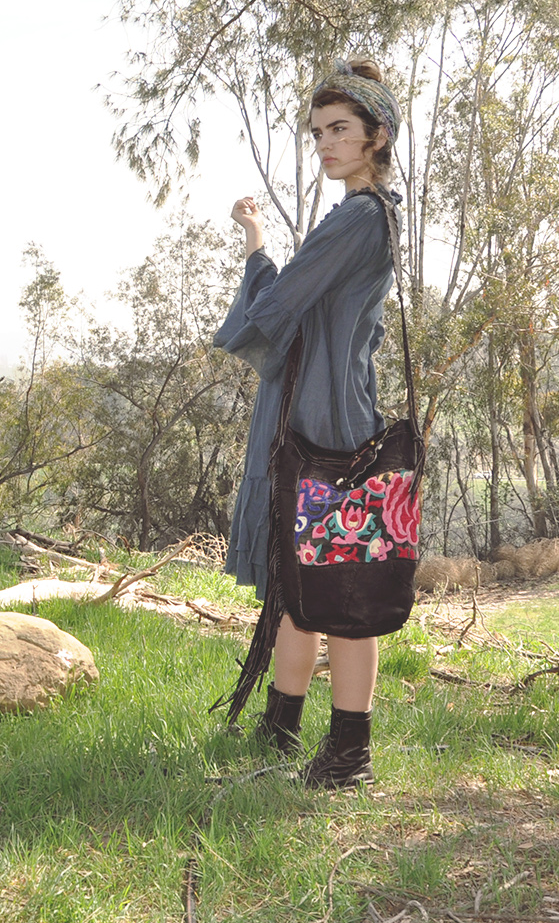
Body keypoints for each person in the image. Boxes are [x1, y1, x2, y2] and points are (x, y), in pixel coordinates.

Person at [213, 59, 405, 789]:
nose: (324, 143)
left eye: (339, 130)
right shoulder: (369, 215)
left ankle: (350, 754)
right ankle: (279, 730)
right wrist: (258, 241)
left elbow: (279, 306)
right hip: (326, 414)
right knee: (301, 587)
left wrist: (257, 251)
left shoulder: (360, 217)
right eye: (318, 131)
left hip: (330, 427)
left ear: (376, 136)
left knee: (342, 595)